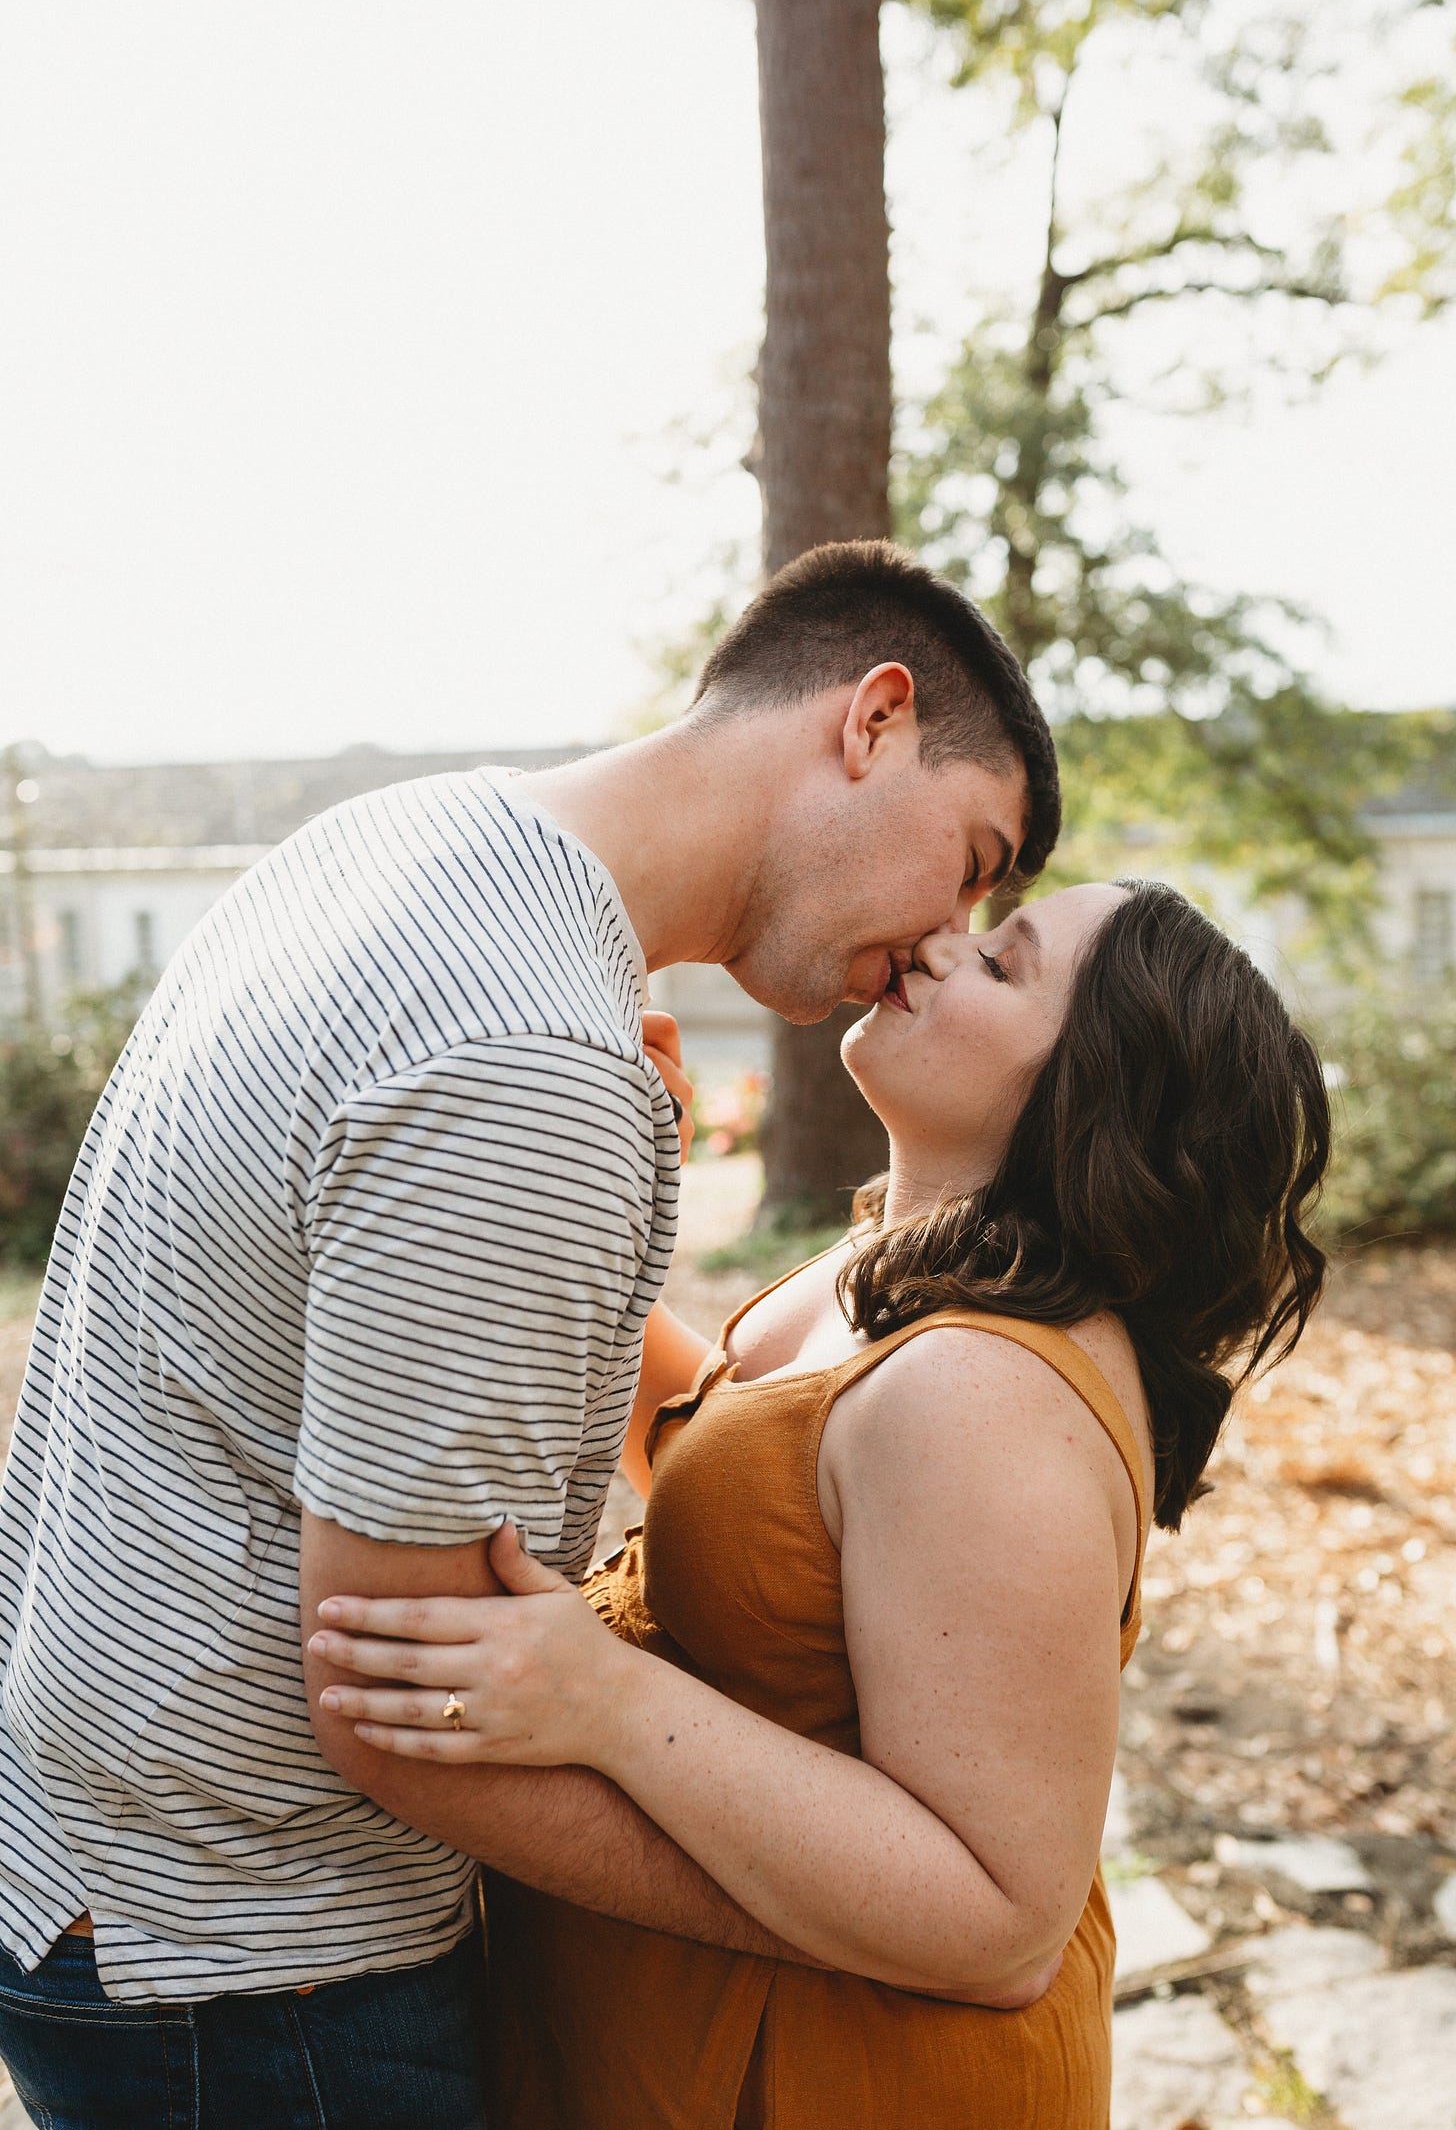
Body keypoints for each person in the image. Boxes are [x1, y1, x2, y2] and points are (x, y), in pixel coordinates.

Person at [0, 541, 1061, 2129]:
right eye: (971, 863)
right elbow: (410, 1718)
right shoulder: (526, 1059)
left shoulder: (406, 843)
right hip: (256, 1961)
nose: (938, 936)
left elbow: (338, 1342)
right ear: (875, 721)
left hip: (109, 1865)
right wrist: (877, 1931)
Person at [312, 876, 1331, 2129]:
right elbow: (732, 1482)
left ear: (1089, 1097)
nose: (941, 943)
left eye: (1002, 965)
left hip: (843, 2074)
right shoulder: (900, 1268)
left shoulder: (982, 1392)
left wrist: (608, 1702)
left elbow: (999, 1920)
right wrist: (582, 1192)